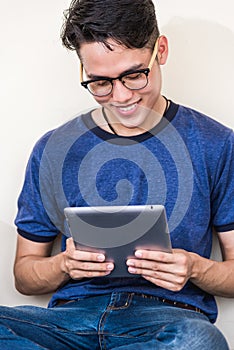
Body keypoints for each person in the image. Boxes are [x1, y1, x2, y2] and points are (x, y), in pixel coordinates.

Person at [0, 0, 233, 349]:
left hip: (166, 320)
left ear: (161, 51)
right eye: (100, 83)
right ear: (83, 71)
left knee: (199, 341)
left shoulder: (217, 143)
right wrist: (64, 265)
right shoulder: (53, 148)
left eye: (135, 75)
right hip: (69, 322)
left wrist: (195, 268)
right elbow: (25, 274)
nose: (122, 96)